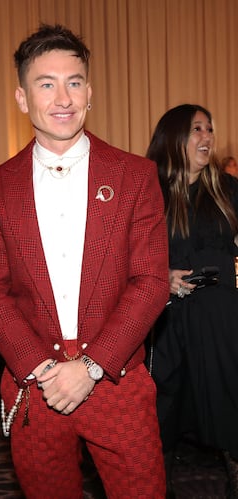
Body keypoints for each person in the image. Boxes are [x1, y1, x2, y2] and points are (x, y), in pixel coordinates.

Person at [0, 24, 169, 499]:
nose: (63, 97)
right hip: (34, 386)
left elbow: (151, 281)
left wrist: (93, 366)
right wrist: (36, 366)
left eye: (74, 82)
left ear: (90, 92)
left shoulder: (136, 176)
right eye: (46, 83)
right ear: (22, 98)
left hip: (116, 379)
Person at [146, 104, 238, 498]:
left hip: (220, 316)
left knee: (229, 400)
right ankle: (154, 487)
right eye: (196, 128)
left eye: (209, 129)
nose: (207, 136)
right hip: (166, 318)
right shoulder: (148, 191)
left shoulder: (227, 188)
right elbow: (123, 255)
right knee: (162, 408)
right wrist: (160, 278)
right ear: (173, 137)